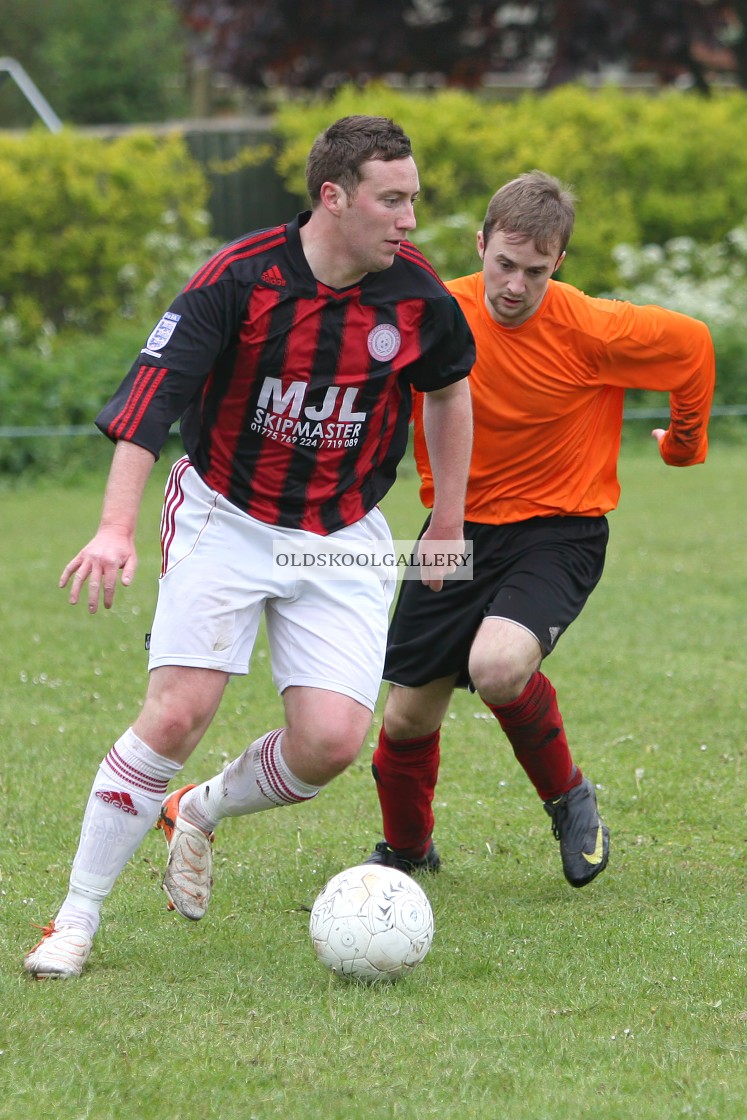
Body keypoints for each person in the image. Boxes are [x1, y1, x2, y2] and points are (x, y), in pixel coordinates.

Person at [23, 115, 475, 979]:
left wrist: (445, 519)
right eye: (392, 200)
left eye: (413, 199)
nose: (409, 219)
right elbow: (147, 407)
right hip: (225, 517)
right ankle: (73, 921)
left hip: (342, 534)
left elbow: (448, 393)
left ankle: (199, 808)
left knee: (332, 743)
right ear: (333, 198)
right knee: (178, 711)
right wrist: (117, 528)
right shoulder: (239, 279)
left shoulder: (415, 296)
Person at [366, 170, 715, 888]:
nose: (515, 286)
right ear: (480, 244)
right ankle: (407, 851)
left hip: (560, 530)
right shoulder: (435, 312)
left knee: (498, 666)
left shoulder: (593, 327)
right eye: (502, 265)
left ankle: (568, 798)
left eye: (534, 270)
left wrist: (684, 445)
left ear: (557, 262)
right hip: (455, 530)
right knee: (404, 717)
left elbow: (693, 348)